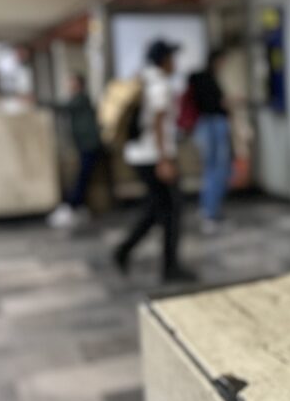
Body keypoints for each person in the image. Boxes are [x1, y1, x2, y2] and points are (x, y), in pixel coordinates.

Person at [113, 40, 196, 283]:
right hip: (153, 156)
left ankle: (124, 250)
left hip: (139, 154)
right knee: (171, 210)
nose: (175, 64)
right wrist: (165, 160)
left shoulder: (142, 79)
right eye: (173, 58)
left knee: (157, 208)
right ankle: (170, 267)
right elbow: (159, 122)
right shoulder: (159, 84)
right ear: (164, 60)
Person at [48, 73, 102, 228]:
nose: (69, 85)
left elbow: (63, 107)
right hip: (84, 144)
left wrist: (38, 102)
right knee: (83, 176)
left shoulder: (81, 99)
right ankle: (79, 207)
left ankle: (73, 206)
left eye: (71, 82)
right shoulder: (79, 99)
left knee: (82, 177)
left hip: (89, 144)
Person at [189, 49, 232, 234]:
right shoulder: (206, 79)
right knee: (217, 170)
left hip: (205, 126)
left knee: (211, 170)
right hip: (213, 125)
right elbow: (214, 103)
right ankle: (210, 213)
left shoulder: (198, 78)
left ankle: (208, 209)